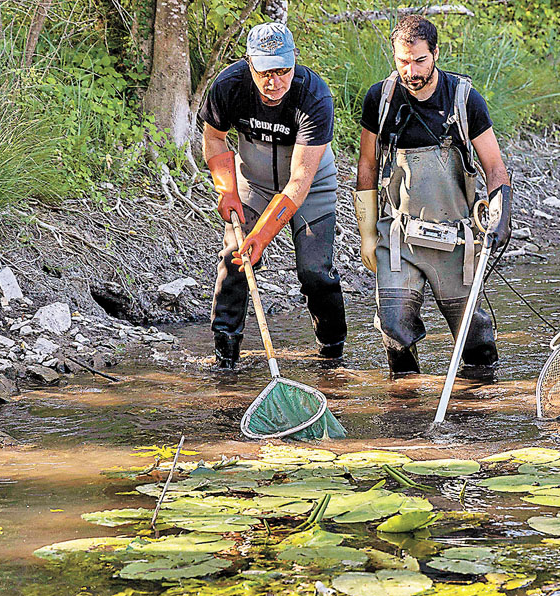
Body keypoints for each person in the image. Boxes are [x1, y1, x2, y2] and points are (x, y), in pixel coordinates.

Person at [354, 15, 512, 376]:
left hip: (456, 240)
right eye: (402, 61)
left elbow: (495, 169)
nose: (411, 71)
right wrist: (366, 234)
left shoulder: (464, 100)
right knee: (394, 326)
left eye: (420, 61)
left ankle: (482, 398)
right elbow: (366, 166)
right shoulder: (380, 99)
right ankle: (406, 404)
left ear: (436, 53)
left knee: (473, 339)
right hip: (398, 239)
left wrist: (501, 216)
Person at [199, 22, 346, 368]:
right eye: (265, 71)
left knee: (314, 271)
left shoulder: (314, 96)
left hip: (312, 186)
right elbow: (215, 139)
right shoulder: (229, 86)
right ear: (249, 63)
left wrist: (263, 235)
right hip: (254, 181)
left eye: (282, 70)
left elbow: (299, 182)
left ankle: (332, 355)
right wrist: (227, 191)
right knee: (234, 258)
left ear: (295, 60)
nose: (274, 82)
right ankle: (225, 356)